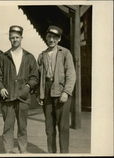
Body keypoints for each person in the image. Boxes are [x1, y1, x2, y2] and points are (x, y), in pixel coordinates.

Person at [0, 25, 39, 153]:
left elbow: (35, 77)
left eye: (17, 37)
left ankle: (23, 151)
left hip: (23, 98)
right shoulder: (4, 57)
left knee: (22, 127)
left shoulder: (29, 57)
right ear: (9, 39)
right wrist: (1, 88)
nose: (14, 40)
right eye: (12, 38)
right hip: (8, 98)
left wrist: (27, 87)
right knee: (8, 128)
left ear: (21, 38)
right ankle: (8, 151)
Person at [37, 25, 76, 153]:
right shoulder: (42, 55)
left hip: (61, 92)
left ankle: (64, 154)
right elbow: (39, 76)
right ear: (46, 37)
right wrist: (40, 94)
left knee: (63, 127)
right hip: (47, 93)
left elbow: (71, 74)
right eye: (49, 36)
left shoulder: (65, 53)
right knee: (49, 128)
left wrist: (66, 91)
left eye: (55, 37)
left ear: (59, 39)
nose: (51, 40)